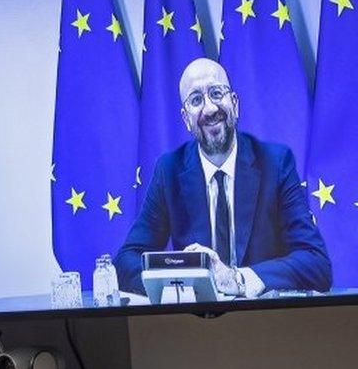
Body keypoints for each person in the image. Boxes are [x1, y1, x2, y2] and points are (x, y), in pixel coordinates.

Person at [114, 58, 331, 298]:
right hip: (195, 324)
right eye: (196, 100)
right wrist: (184, 276)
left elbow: (316, 263)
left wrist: (237, 279)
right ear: (186, 118)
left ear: (234, 104)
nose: (209, 109)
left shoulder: (276, 163)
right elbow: (125, 262)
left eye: (217, 93)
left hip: (265, 320)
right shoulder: (169, 171)